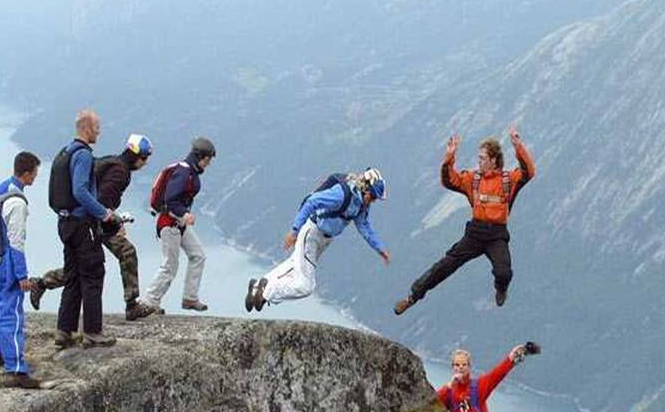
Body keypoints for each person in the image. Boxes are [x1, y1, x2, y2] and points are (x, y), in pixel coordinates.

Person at [394, 125, 534, 314]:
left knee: (504, 272)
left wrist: (518, 146)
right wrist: (449, 157)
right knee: (444, 266)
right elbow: (449, 180)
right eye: (479, 158)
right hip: (475, 234)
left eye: (482, 159)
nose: (479, 162)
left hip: (497, 236)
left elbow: (528, 172)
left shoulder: (508, 180)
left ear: (493, 160)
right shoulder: (472, 179)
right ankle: (412, 297)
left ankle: (501, 288)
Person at [29, 134, 154, 320]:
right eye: (144, 158)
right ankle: (132, 305)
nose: (145, 163)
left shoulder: (112, 162)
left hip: (82, 221)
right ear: (136, 156)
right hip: (93, 222)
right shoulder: (121, 172)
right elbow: (102, 200)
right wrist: (114, 225)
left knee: (80, 267)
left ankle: (41, 283)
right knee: (126, 253)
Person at [246, 169, 390, 311]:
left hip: (325, 239)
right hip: (312, 234)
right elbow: (311, 202)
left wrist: (380, 248)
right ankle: (267, 292)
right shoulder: (341, 194)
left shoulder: (361, 205)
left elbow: (364, 226)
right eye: (372, 196)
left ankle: (258, 286)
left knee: (294, 264)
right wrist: (295, 230)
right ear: (365, 188)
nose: (373, 201)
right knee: (306, 286)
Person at [50, 110, 119, 348]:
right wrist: (104, 213)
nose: (99, 130)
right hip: (82, 225)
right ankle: (92, 331)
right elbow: (81, 190)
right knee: (93, 273)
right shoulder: (83, 156)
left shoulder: (66, 152)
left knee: (72, 277)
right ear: (87, 128)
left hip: (65, 223)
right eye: (97, 126)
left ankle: (64, 330)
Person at [131, 136, 216, 317]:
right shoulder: (184, 173)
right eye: (207, 160)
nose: (208, 164)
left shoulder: (189, 172)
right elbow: (170, 199)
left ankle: (190, 298)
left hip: (179, 224)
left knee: (198, 255)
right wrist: (185, 214)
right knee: (170, 264)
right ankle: (149, 302)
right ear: (200, 157)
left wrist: (183, 216)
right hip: (169, 224)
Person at [0, 152, 42, 389]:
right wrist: (22, 275)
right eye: (34, 173)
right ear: (26, 173)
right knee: (12, 314)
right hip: (6, 262)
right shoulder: (16, 202)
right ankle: (15, 368)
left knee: (1, 308)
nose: (36, 177)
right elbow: (16, 241)